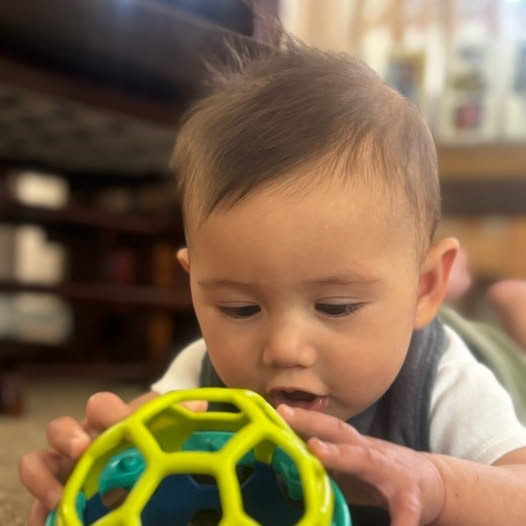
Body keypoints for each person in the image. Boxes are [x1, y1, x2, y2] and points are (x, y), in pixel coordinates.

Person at [19, 34, 526, 526]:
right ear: (194, 284)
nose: (284, 349)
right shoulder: (201, 377)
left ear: (423, 287)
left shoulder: (445, 381)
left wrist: (436, 483)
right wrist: (89, 462)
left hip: (498, 359)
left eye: (336, 306)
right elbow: (135, 457)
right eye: (240, 308)